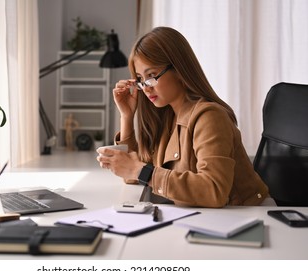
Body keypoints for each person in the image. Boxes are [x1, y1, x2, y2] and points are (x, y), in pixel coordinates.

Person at [96, 26, 272, 208]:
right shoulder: (167, 116)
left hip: (248, 215)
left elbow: (214, 190)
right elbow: (133, 176)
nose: (146, 87)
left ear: (179, 70)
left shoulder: (209, 117)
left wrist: (140, 171)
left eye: (152, 75)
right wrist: (126, 116)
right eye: (140, 79)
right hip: (211, 218)